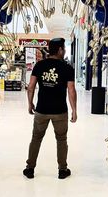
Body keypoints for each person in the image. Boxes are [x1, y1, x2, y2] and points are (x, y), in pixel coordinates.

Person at [23, 38, 77, 179]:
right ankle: (62, 170)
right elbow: (71, 90)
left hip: (41, 110)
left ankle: (30, 169)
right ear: (59, 50)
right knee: (61, 140)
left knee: (36, 138)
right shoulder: (67, 68)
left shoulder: (39, 65)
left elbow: (31, 87)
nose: (64, 50)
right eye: (63, 48)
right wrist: (74, 110)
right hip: (60, 111)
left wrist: (30, 103)